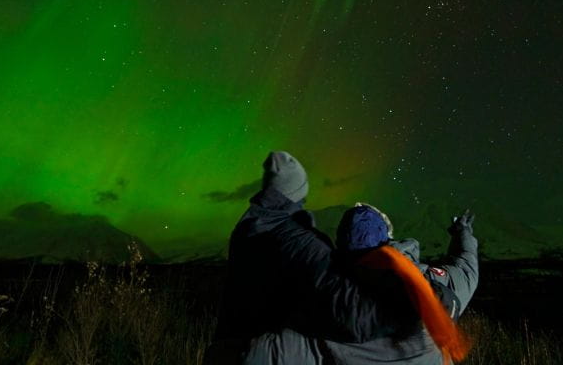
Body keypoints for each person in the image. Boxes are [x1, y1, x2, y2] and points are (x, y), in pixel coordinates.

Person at [204, 151, 400, 364]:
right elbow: (354, 315)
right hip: (273, 353)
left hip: (228, 351)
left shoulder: (248, 229)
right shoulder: (300, 241)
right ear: (298, 191)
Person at [319, 203, 479, 365]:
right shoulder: (426, 285)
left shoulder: (325, 296)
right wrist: (463, 232)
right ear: (387, 238)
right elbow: (466, 272)